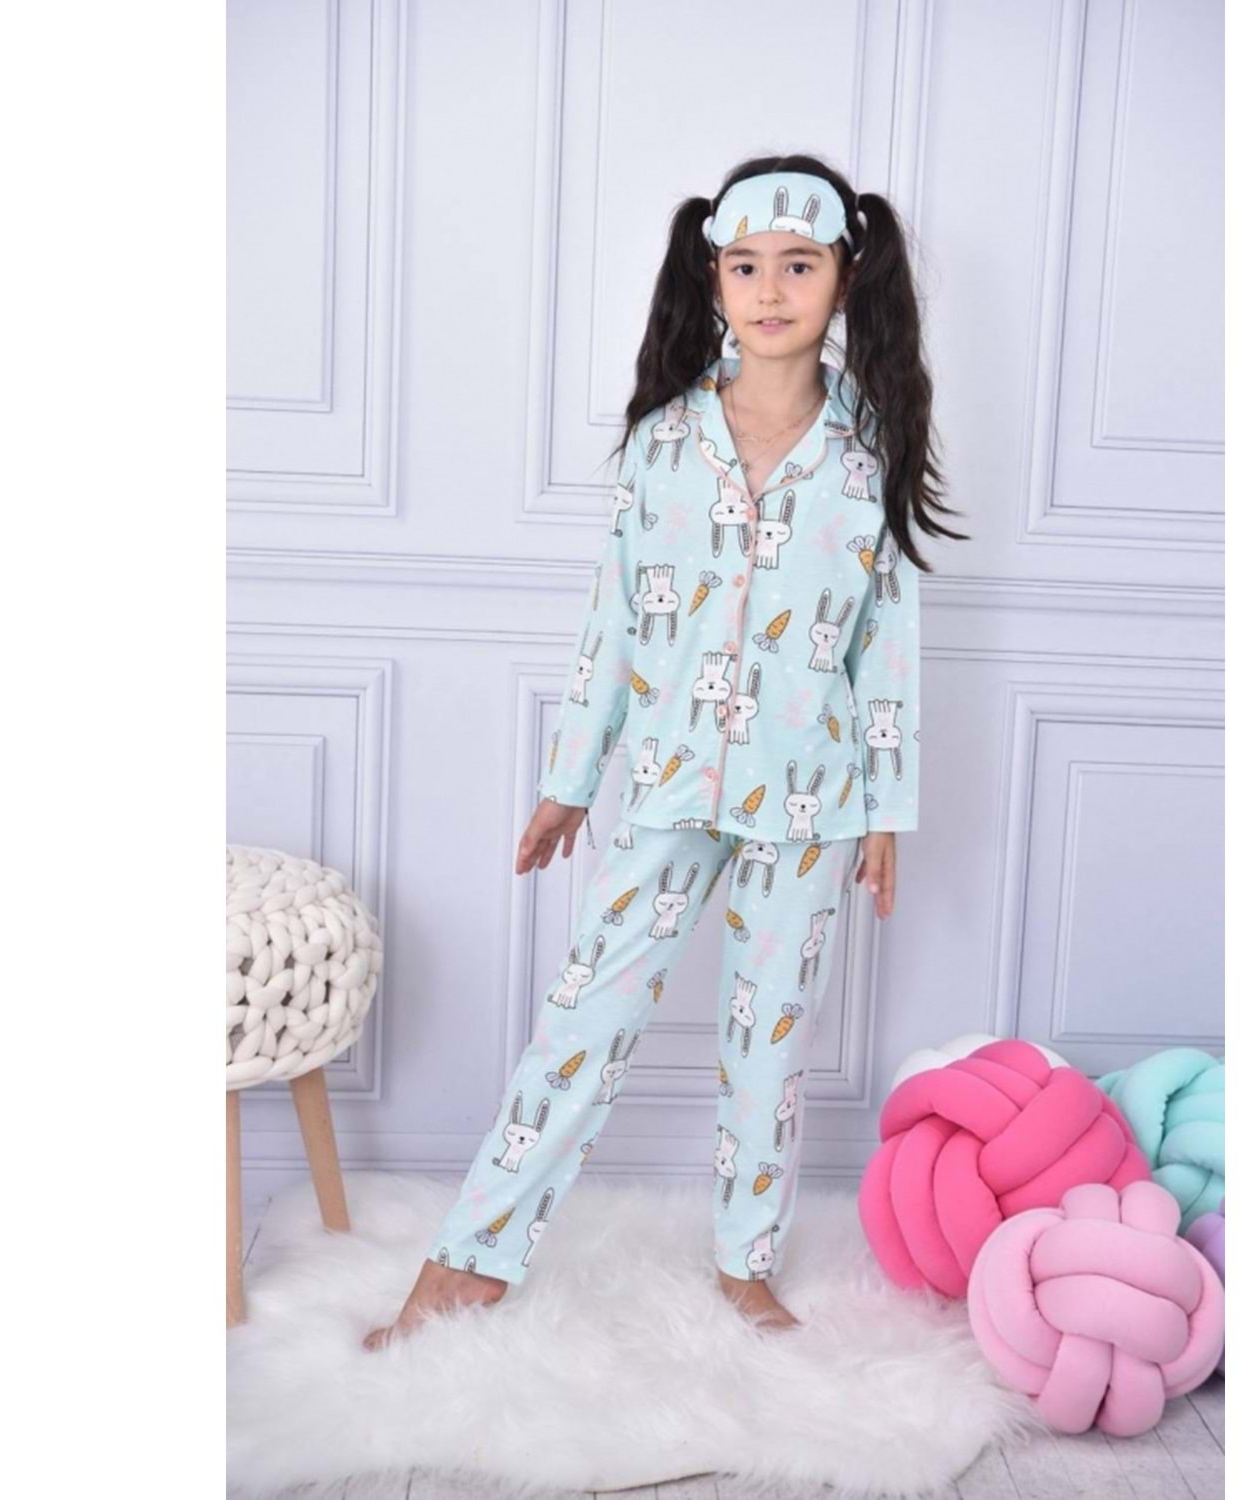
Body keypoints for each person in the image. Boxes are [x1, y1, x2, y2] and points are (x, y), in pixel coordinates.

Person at [365, 155, 965, 1350]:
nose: (770, 290)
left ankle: (746, 1263)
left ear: (845, 279)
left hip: (814, 795)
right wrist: (568, 782)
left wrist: (887, 808)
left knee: (770, 1038)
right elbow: (615, 624)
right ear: (715, 277)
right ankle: (470, 1258)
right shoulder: (664, 442)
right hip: (666, 776)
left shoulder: (870, 448)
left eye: (799, 265)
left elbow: (885, 642)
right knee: (584, 1016)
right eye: (746, 266)